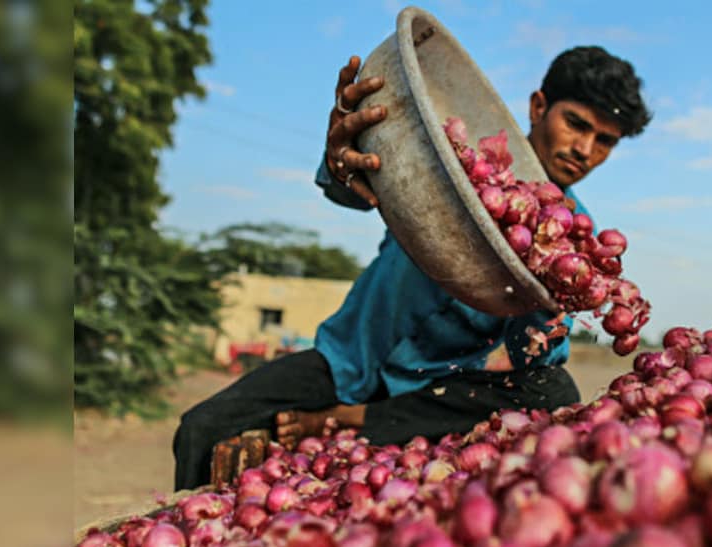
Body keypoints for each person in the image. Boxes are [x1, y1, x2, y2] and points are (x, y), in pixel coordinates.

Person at [172, 46, 651, 489]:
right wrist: (342, 158)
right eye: (576, 124)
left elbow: (534, 358)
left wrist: (552, 306)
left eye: (604, 141)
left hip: (442, 387)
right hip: (350, 361)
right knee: (202, 427)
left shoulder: (576, 239)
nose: (584, 150)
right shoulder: (456, 163)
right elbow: (361, 184)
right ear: (538, 106)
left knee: (554, 390)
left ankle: (354, 419)